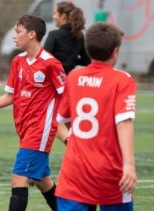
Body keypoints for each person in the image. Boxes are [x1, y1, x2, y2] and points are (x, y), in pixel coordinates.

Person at [0, 15, 66, 211]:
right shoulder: (18, 61)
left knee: (18, 179)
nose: (14, 36)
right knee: (43, 181)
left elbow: (68, 97)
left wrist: (70, 132)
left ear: (31, 34)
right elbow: (10, 96)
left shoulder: (51, 64)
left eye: (18, 31)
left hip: (40, 130)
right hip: (24, 129)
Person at [55, 23, 137, 211]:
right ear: (115, 52)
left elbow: (57, 120)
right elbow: (124, 121)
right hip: (110, 172)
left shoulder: (74, 77)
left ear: (88, 49)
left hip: (74, 173)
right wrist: (130, 165)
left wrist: (70, 139)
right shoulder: (122, 80)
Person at [44, 1, 90, 75]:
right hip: (69, 80)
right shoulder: (79, 36)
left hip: (54, 81)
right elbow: (87, 61)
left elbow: (44, 60)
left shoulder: (53, 35)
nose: (53, 17)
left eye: (55, 13)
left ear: (63, 16)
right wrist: (73, 60)